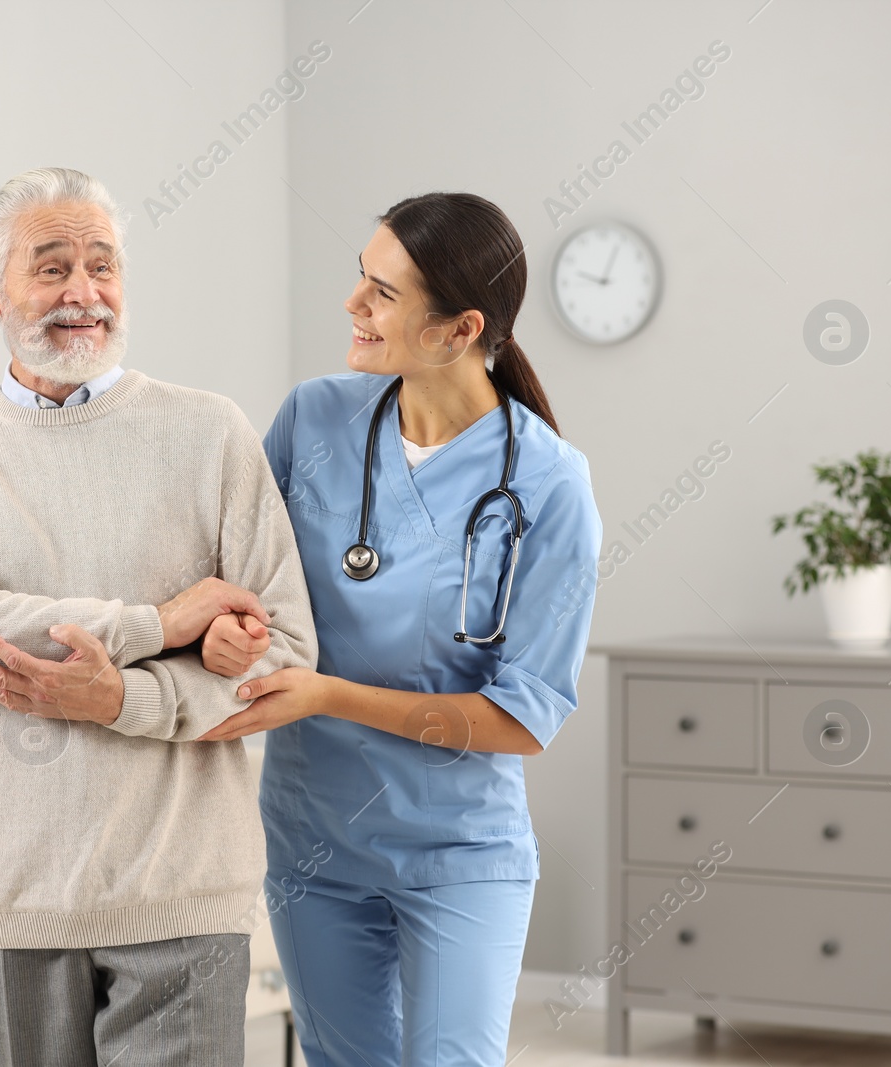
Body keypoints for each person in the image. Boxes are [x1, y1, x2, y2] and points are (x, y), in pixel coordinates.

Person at [0, 166, 318, 1067]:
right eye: (51, 267)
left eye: (102, 265)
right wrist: (163, 624)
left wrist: (117, 697)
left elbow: (290, 651)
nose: (83, 293)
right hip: (4, 896)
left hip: (184, 888)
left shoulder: (211, 433)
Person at [196, 191, 603, 1065]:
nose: (353, 305)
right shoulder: (313, 419)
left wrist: (328, 694)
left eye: (382, 292)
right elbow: (243, 588)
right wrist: (226, 634)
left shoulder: (550, 485)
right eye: (360, 278)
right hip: (313, 843)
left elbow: (522, 719)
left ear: (459, 330)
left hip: (460, 850)